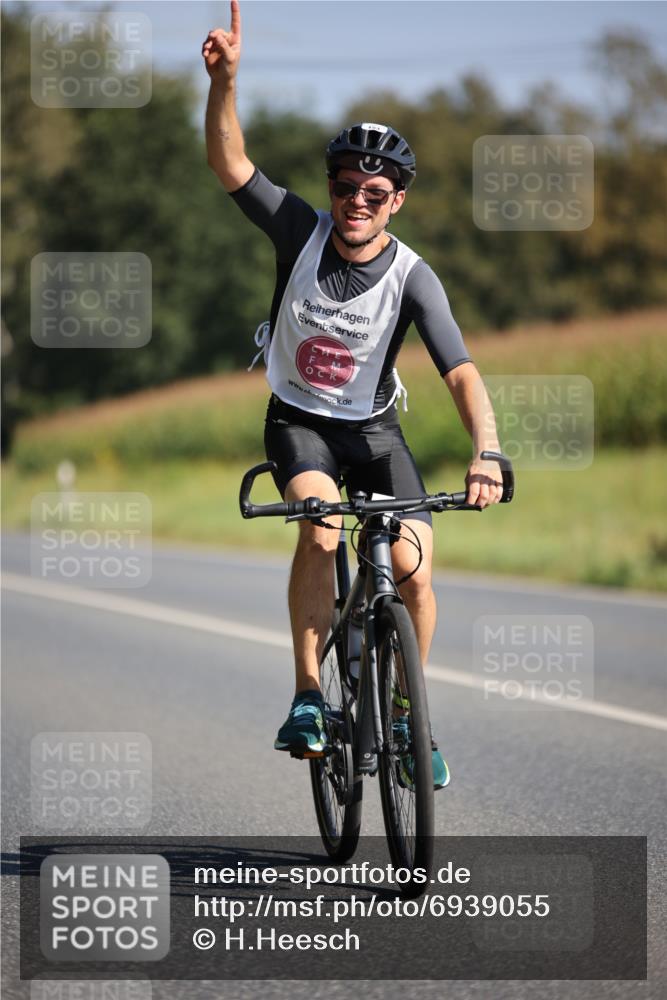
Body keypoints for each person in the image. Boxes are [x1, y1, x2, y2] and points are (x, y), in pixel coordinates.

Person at [202, 1, 503, 789]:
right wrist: (225, 84)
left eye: (375, 190)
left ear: (396, 199)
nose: (356, 200)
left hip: (371, 432)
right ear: (330, 188)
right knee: (322, 529)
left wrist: (487, 451)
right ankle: (308, 697)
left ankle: (408, 719)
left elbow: (461, 374)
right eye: (345, 186)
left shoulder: (413, 276)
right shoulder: (298, 231)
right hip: (297, 423)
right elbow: (231, 165)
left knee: (413, 569)